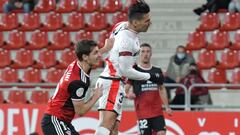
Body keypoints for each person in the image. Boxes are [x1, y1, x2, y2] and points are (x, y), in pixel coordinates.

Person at [94, 1, 164, 135]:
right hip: (113, 81)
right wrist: (150, 76)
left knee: (113, 129)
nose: (150, 23)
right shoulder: (127, 41)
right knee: (106, 124)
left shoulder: (121, 25)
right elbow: (125, 70)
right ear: (136, 22)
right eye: (147, 20)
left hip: (115, 81)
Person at [41, 39, 113, 135]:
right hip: (55, 121)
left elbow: (88, 54)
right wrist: (96, 96)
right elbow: (80, 111)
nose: (99, 55)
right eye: (96, 53)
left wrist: (105, 48)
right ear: (84, 57)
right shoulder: (78, 82)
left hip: (62, 121)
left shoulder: (78, 63)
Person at [125, 43, 173, 135]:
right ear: (139, 54)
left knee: (162, 133)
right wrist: (128, 95)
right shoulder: (134, 71)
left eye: (148, 51)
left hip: (157, 112)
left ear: (151, 54)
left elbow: (162, 89)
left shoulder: (157, 71)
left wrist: (167, 107)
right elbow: (124, 90)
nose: (145, 54)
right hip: (143, 113)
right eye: (143, 51)